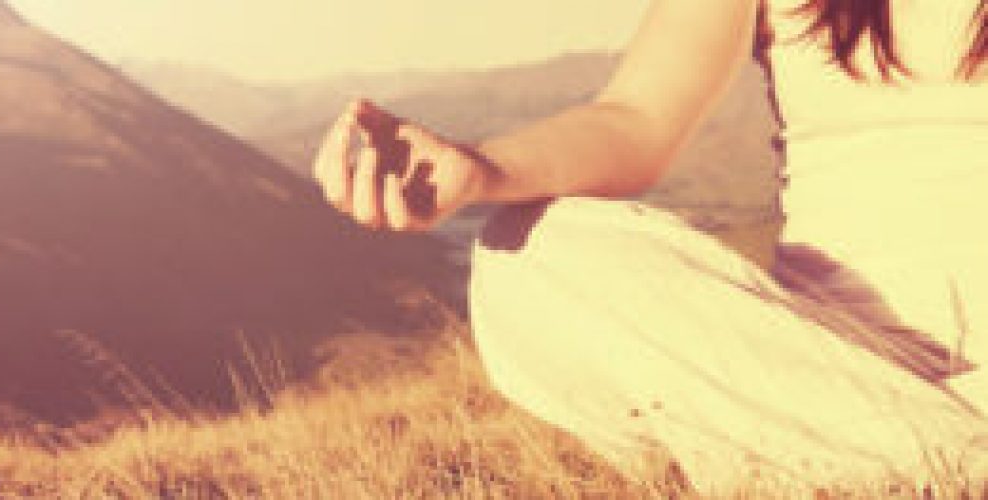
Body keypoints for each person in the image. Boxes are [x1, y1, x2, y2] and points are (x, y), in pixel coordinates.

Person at [312, 0, 988, 491]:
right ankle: (945, 455)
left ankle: (875, 464)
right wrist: (479, 169)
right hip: (813, 365)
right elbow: (635, 120)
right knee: (528, 251)